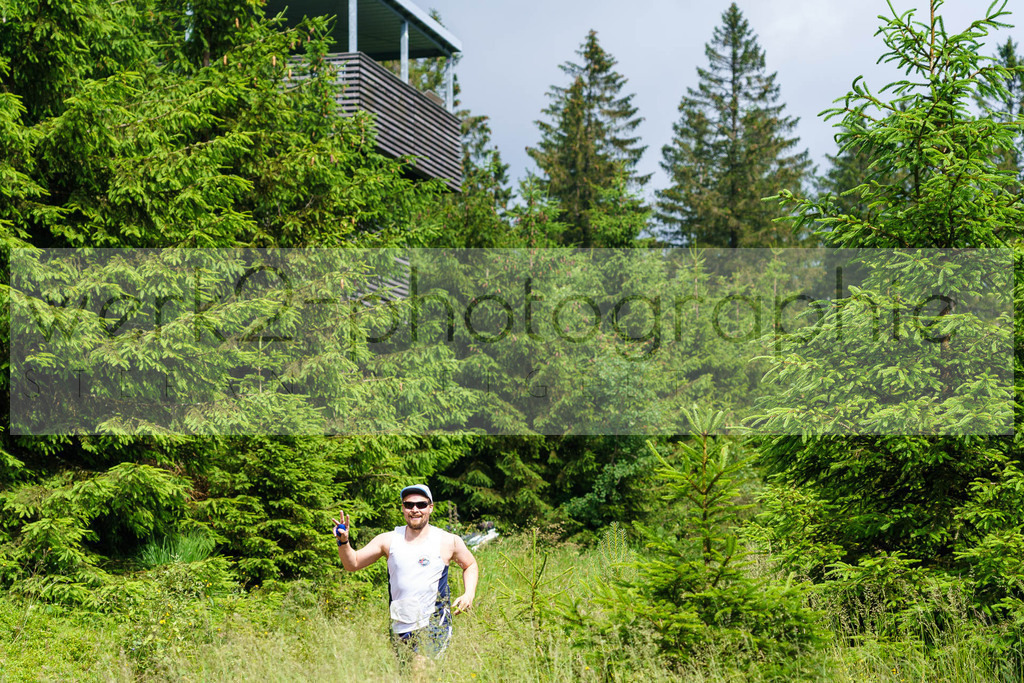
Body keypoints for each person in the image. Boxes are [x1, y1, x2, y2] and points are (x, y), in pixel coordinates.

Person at [332, 484, 478, 665]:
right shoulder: (388, 539)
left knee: (421, 666)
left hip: (434, 623)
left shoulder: (447, 541)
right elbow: (352, 563)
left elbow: (470, 564)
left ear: (430, 507)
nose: (415, 510)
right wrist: (343, 542)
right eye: (409, 505)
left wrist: (468, 594)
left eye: (421, 505)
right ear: (403, 508)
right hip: (401, 625)